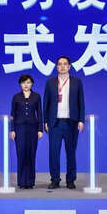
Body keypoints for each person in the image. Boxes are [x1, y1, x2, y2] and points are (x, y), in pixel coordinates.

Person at [43, 56, 85, 189]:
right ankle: (55, 180)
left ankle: (70, 180)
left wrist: (81, 120)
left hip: (71, 123)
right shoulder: (50, 82)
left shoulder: (77, 82)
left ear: (69, 67)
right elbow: (46, 103)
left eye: (65, 64)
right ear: (57, 67)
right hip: (54, 123)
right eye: (60, 64)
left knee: (71, 153)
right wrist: (45, 121)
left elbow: (81, 102)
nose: (62, 66)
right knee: (54, 153)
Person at [10, 74, 43, 189]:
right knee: (21, 153)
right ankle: (21, 181)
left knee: (31, 153)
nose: (26, 85)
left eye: (28, 82)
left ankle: (30, 182)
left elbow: (40, 113)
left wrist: (40, 129)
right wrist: (12, 129)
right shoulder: (16, 97)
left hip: (33, 128)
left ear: (32, 84)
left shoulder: (37, 96)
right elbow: (12, 114)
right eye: (24, 83)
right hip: (19, 128)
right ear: (20, 84)